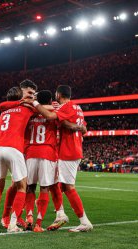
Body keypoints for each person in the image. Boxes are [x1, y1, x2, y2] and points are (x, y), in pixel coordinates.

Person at [24, 85, 93, 232]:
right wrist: (73, 126)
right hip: (71, 150)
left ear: (58, 94)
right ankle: (60, 214)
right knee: (57, 185)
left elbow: (50, 117)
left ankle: (83, 221)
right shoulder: (77, 107)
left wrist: (34, 103)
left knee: (67, 187)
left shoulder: (66, 106)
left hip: (67, 151)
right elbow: (84, 129)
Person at [0, 86, 35, 233]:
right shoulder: (26, 109)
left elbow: (2, 105)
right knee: (22, 186)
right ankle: (13, 224)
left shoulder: (4, 111)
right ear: (21, 96)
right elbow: (44, 109)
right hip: (14, 148)